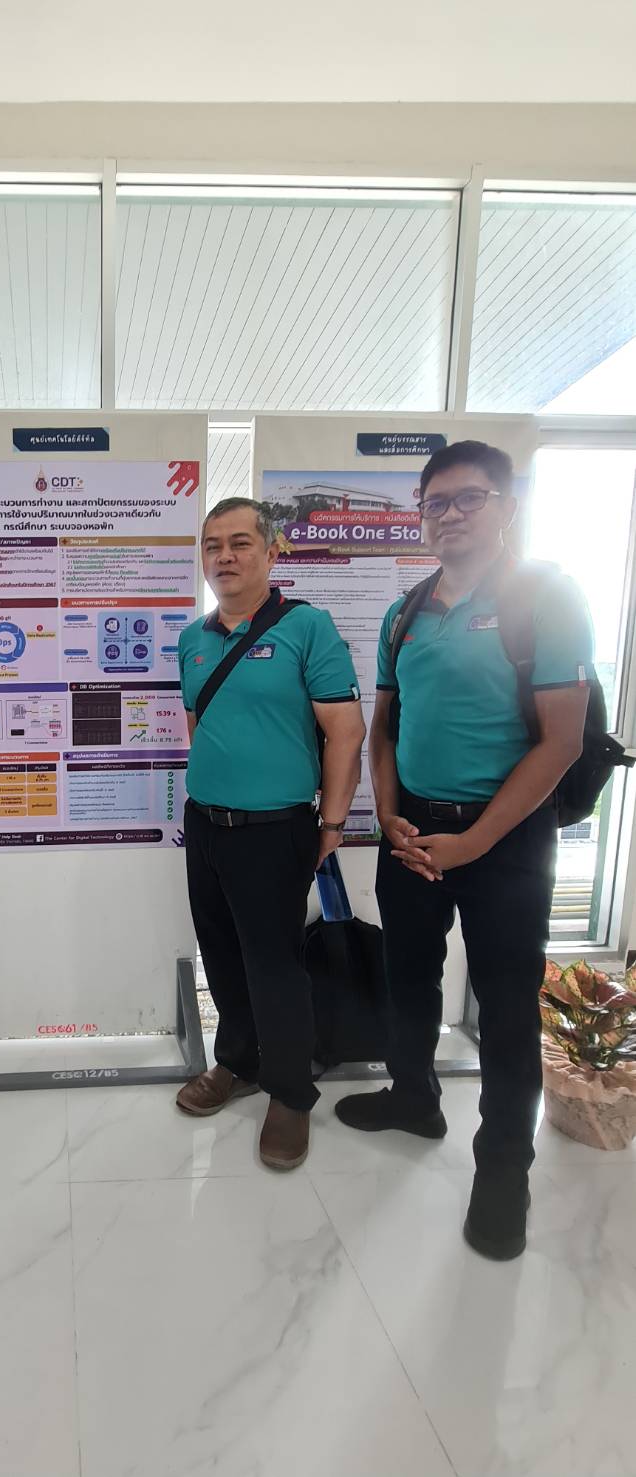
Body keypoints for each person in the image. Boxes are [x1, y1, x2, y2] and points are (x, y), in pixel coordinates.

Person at [335, 441, 593, 1262]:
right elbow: (385, 726)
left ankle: (503, 1174)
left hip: (506, 839)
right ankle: (414, 1097)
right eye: (435, 502)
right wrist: (389, 812)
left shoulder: (546, 598)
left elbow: (561, 742)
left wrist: (474, 841)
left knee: (507, 1008)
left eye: (469, 498)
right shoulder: (405, 611)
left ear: (506, 506)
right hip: (413, 832)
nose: (450, 514)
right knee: (408, 976)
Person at [175, 497, 366, 1169]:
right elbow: (200, 726)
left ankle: (289, 1092)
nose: (224, 556)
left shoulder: (306, 627)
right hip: (206, 824)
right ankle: (238, 1061)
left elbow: (346, 732)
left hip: (274, 830)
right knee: (222, 952)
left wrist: (332, 823)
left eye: (240, 543)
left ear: (270, 552)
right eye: (213, 546)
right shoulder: (193, 639)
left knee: (275, 966)